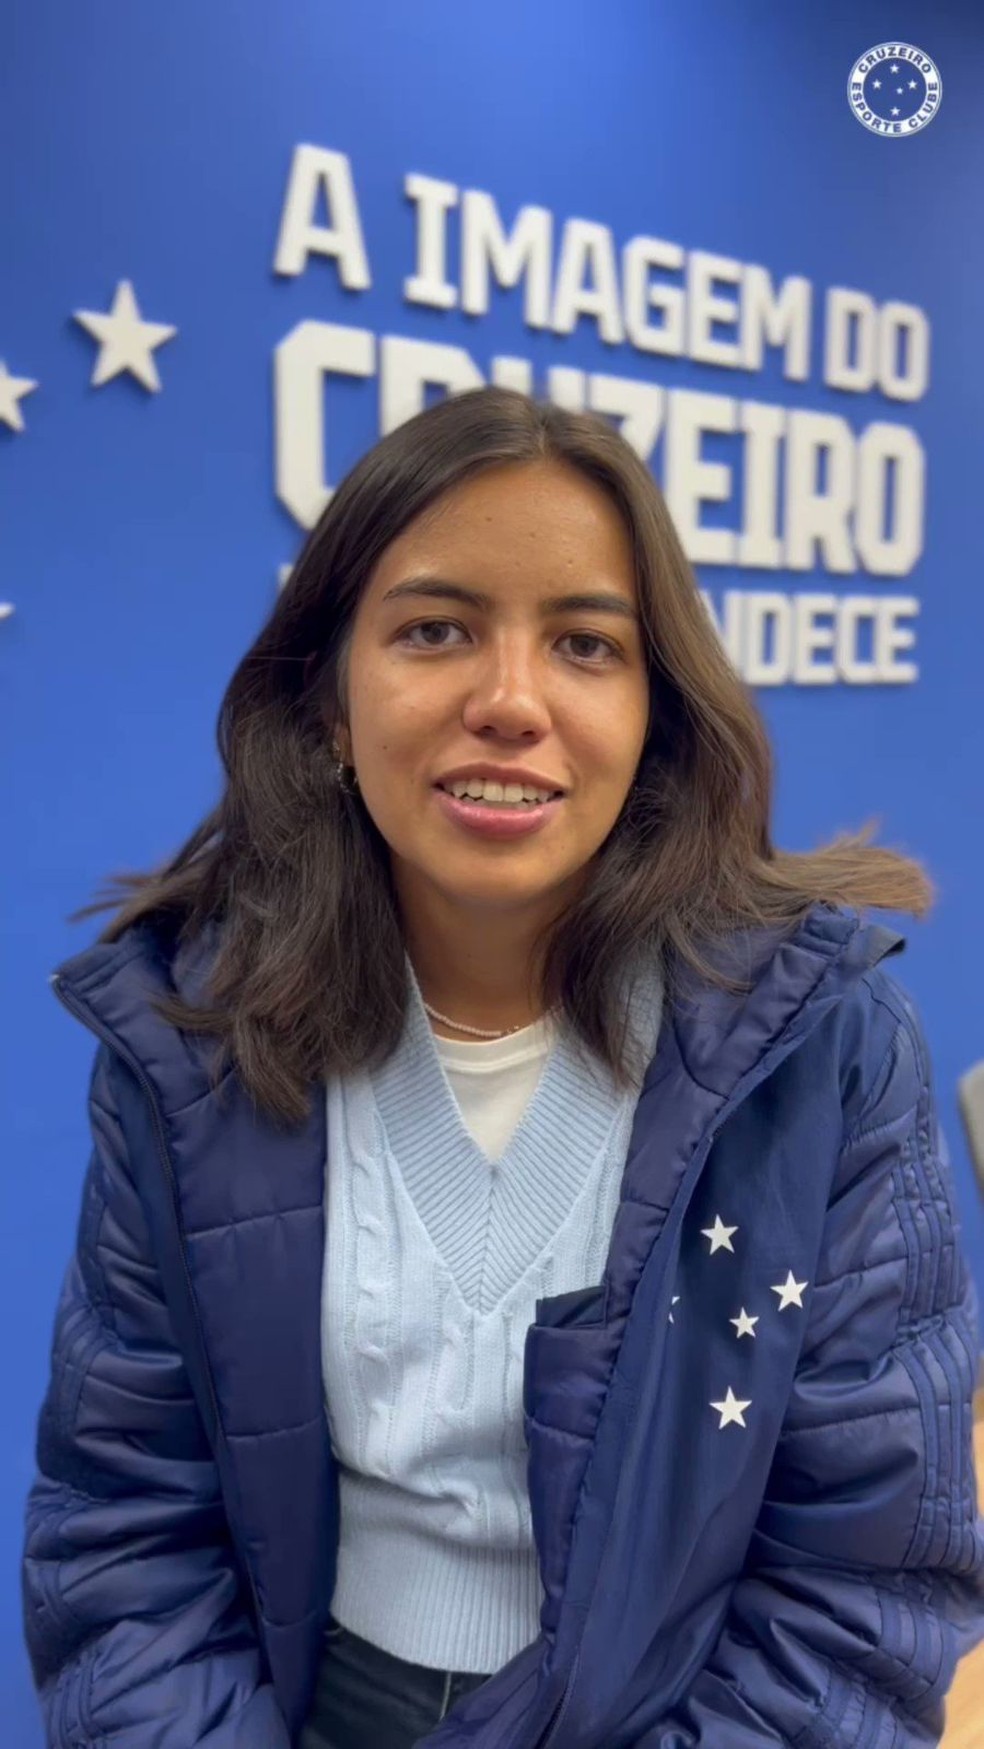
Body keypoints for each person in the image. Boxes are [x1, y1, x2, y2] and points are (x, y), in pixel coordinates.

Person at [22, 385, 984, 1749]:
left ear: (655, 710)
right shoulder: (195, 1037)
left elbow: (863, 1584)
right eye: (435, 629)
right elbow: (125, 1544)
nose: (511, 702)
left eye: (586, 644)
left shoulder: (816, 1046)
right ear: (332, 707)